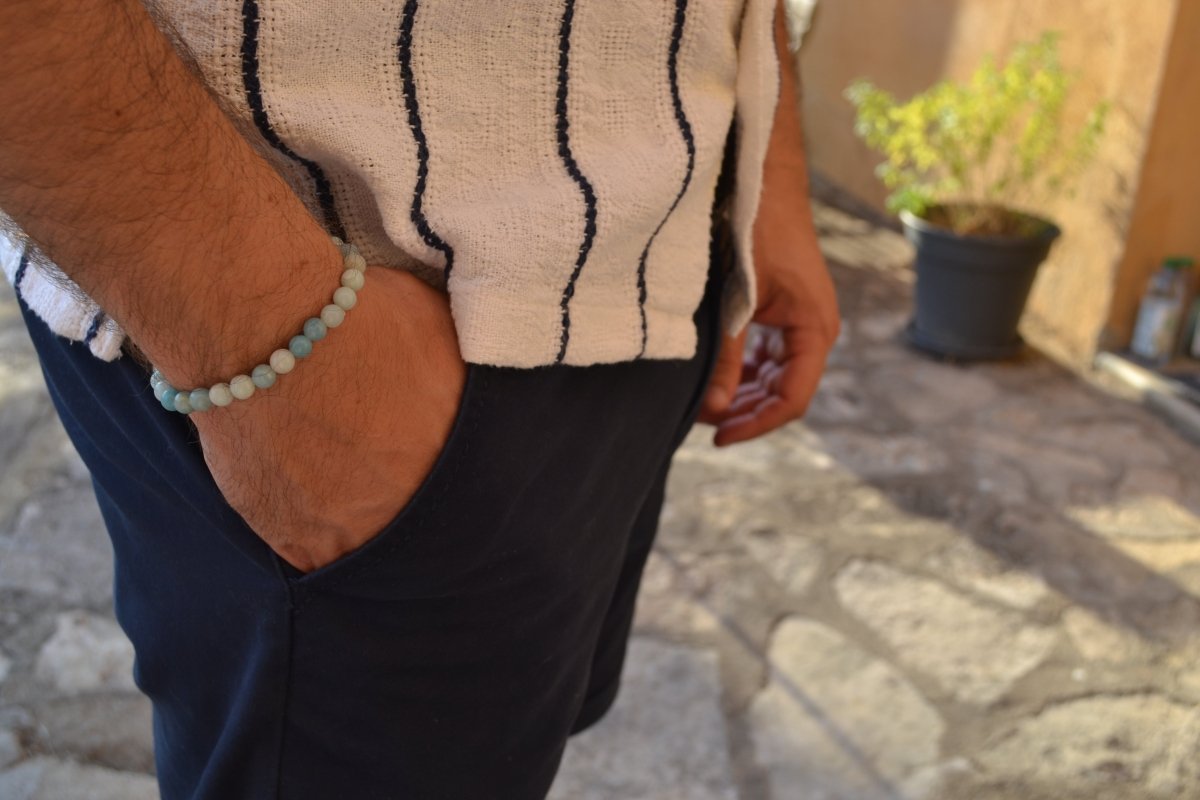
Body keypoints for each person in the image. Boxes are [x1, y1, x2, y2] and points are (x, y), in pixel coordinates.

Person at [0, 0, 838, 797]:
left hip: (654, 245)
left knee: (506, 745)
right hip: (315, 317)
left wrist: (772, 167)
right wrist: (266, 334)